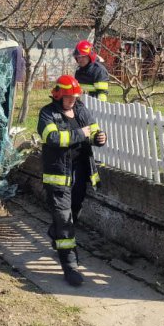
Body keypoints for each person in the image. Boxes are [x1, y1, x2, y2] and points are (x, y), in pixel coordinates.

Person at [37, 74, 108, 286]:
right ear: (58, 95)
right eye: (68, 97)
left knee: (72, 214)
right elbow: (52, 138)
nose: (72, 100)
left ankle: (55, 232)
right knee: (65, 221)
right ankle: (71, 267)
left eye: (75, 96)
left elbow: (93, 130)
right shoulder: (47, 114)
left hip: (80, 175)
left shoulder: (81, 109)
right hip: (58, 178)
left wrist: (99, 138)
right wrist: (80, 133)